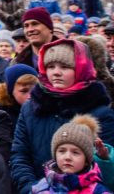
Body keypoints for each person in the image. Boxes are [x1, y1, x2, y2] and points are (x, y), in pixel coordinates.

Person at [11, 38, 114, 194]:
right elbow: (20, 154)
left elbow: (102, 165)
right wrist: (31, 188)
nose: (56, 72)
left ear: (80, 69)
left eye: (65, 67)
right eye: (50, 66)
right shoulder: (30, 108)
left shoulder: (100, 113)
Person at [31, 115, 113, 194]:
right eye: (62, 151)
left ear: (86, 161)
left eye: (75, 152)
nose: (67, 157)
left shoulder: (98, 191)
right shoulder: (40, 187)